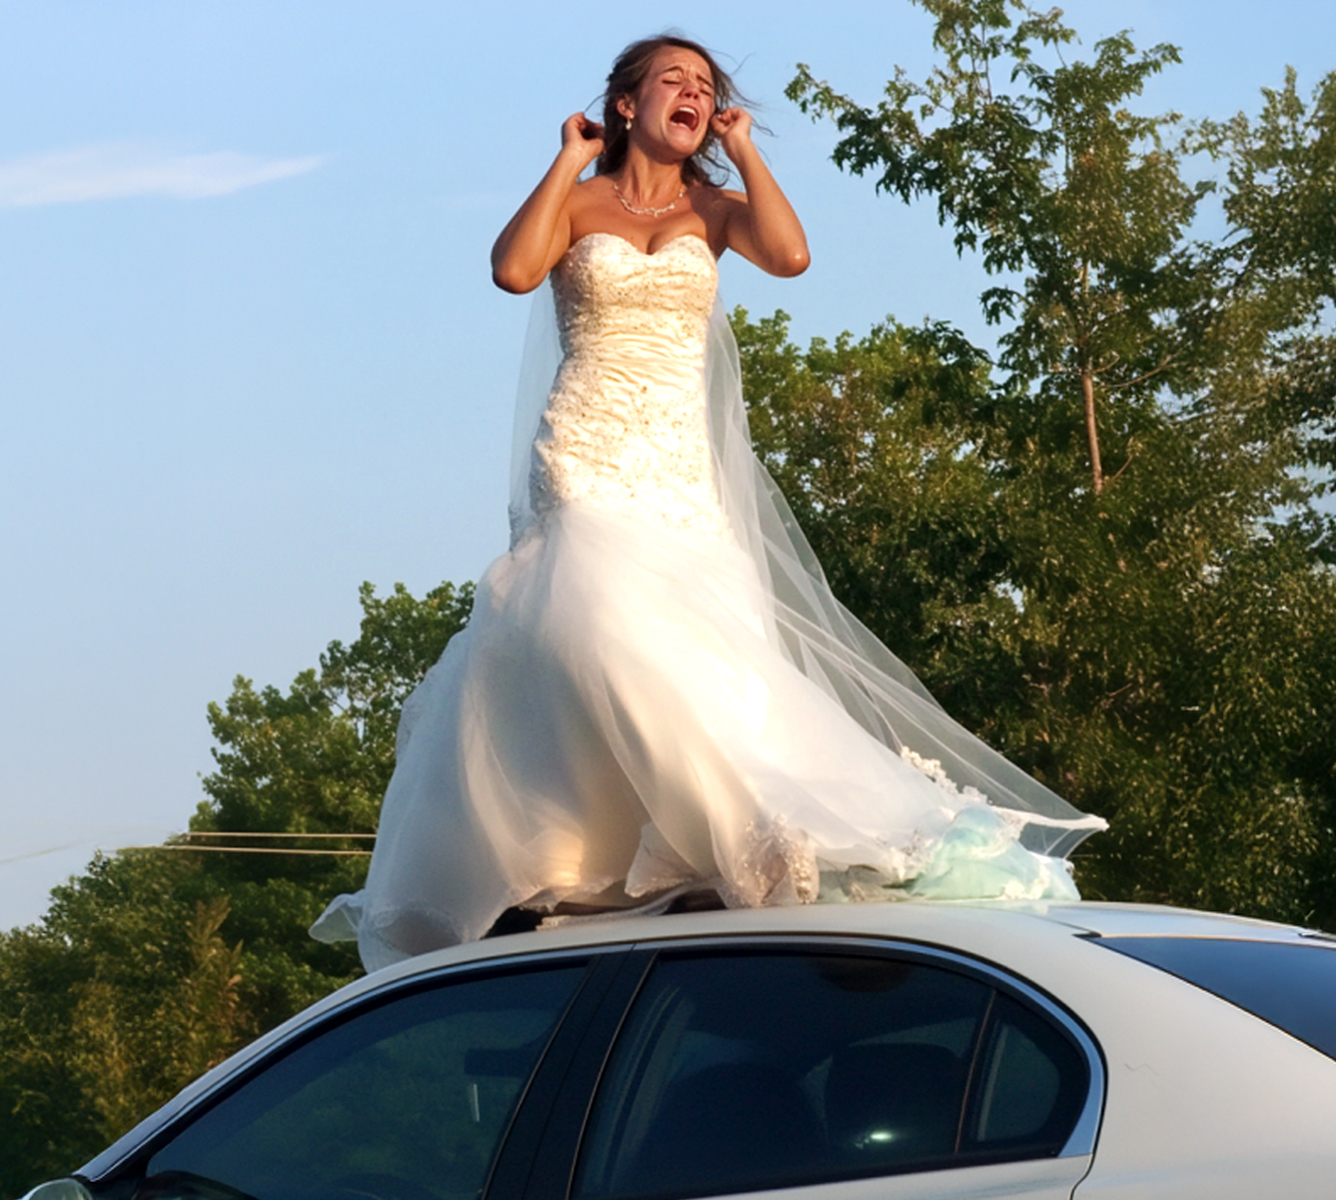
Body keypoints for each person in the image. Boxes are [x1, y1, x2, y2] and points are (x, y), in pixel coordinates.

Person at [314, 35, 1105, 972]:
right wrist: (566, 158)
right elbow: (514, 270)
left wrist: (751, 148)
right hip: (588, 450)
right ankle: (701, 827)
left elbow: (791, 254)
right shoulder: (578, 202)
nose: (693, 94)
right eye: (673, 82)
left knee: (700, 649)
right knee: (602, 619)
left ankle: (726, 830)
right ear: (625, 106)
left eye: (706, 88)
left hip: (680, 467)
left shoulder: (714, 207)